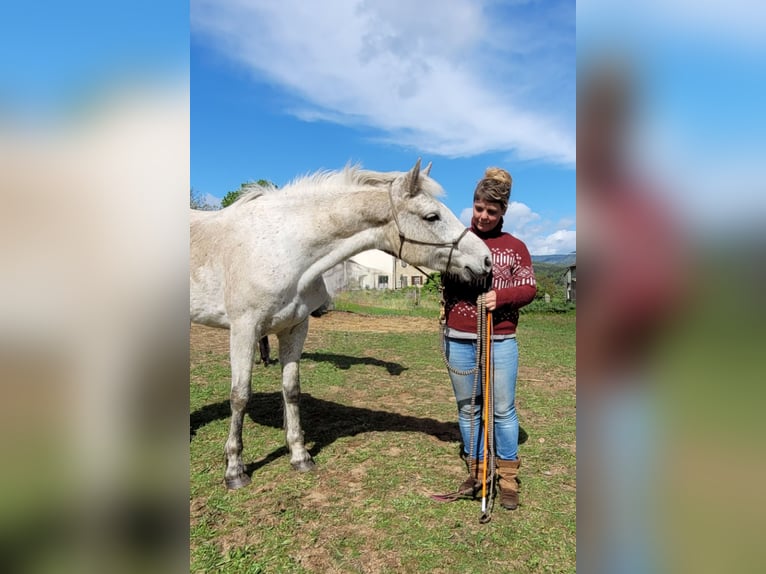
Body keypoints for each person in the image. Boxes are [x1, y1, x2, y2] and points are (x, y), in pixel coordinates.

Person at [442, 167, 537, 510]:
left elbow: (529, 287)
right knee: (468, 409)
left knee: (501, 410)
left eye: (491, 211)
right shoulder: (458, 238)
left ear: (502, 213)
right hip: (459, 336)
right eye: (478, 208)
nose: (482, 216)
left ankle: (507, 476)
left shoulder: (515, 247)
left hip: (499, 339)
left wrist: (503, 296)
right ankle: (477, 470)